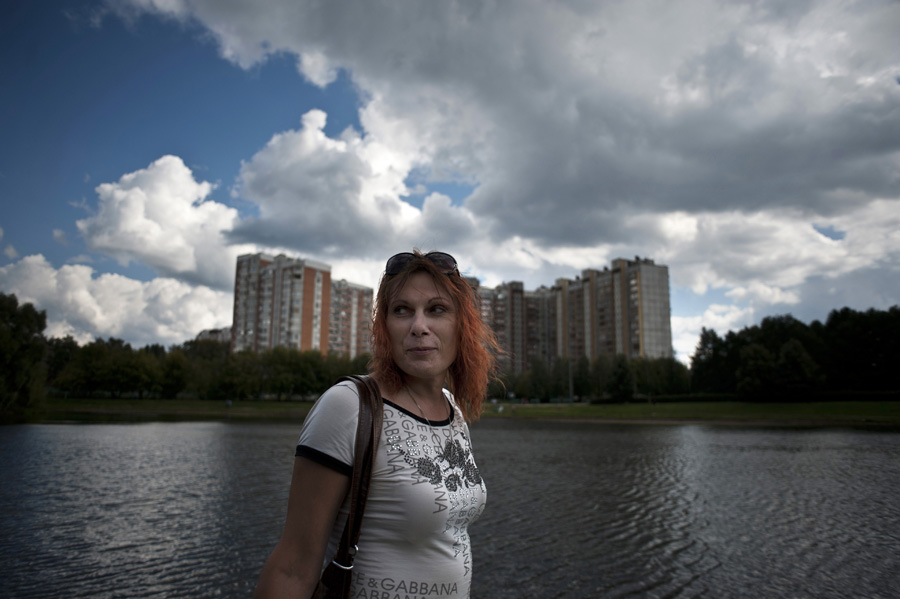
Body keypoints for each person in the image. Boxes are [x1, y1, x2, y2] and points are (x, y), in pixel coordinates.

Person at [254, 250, 500, 599]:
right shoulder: (349, 406)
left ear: (462, 324)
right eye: (402, 310)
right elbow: (293, 567)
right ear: (384, 325)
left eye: (436, 309)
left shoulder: (452, 410)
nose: (419, 326)